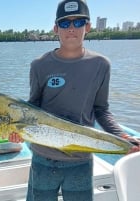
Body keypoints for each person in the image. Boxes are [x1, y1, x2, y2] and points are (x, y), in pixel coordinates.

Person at [8, 0, 140, 201]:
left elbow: (101, 109)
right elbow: (32, 106)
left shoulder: (101, 65)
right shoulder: (39, 65)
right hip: (43, 157)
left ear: (88, 27)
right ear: (55, 29)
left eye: (78, 23)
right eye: (65, 23)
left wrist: (122, 136)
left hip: (80, 159)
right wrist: (18, 131)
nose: (71, 28)